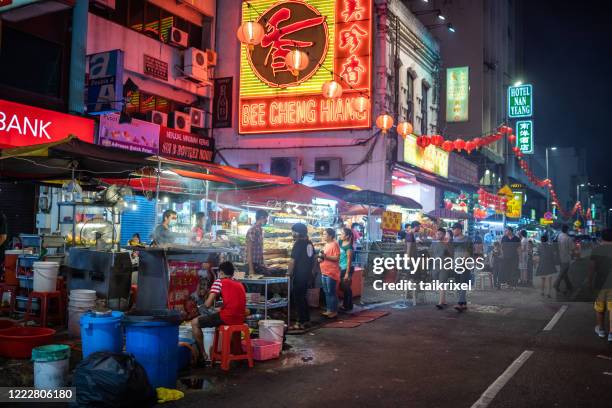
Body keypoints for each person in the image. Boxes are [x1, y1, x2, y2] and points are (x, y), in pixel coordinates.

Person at [190, 261, 247, 361]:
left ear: (220, 272)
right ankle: (237, 354)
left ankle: (203, 355)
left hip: (227, 318)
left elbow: (208, 304)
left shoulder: (219, 281)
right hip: (239, 318)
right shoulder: (239, 283)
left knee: (195, 323)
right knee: (218, 316)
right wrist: (219, 309)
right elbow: (235, 303)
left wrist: (201, 307)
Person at [288, 223, 315, 330]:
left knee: (298, 299)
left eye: (294, 231)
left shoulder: (298, 244)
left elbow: (292, 261)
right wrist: (312, 272)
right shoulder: (309, 243)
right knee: (303, 298)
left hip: (299, 275)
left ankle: (300, 322)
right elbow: (314, 258)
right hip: (307, 275)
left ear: (298, 232)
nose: (292, 234)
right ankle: (306, 320)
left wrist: (288, 273)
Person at [589, 229, 612, 342]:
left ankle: (601, 330)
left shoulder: (597, 249)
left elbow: (592, 268)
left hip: (600, 283)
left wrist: (589, 281)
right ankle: (611, 333)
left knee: (600, 307)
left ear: (601, 237)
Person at [318, 228, 340, 318]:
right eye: (323, 234)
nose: (323, 236)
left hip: (331, 272)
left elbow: (336, 258)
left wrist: (325, 256)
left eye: (325, 234)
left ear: (330, 235)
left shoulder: (335, 244)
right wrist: (320, 258)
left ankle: (334, 311)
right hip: (324, 271)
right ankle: (329, 310)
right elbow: (323, 257)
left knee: (331, 292)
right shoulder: (326, 244)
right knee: (326, 292)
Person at [451, 222, 472, 312]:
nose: (453, 231)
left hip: (464, 264)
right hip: (456, 264)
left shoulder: (467, 239)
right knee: (458, 283)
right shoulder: (453, 240)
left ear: (459, 230)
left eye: (454, 229)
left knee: (463, 283)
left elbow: (469, 252)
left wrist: (463, 261)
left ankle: (460, 303)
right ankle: (463, 302)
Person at [430, 227, 450, 309]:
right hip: (436, 265)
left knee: (442, 283)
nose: (438, 235)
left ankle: (440, 302)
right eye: (437, 234)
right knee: (440, 283)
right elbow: (430, 253)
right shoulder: (433, 244)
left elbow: (450, 254)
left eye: (440, 234)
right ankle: (444, 300)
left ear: (444, 234)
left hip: (444, 266)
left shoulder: (447, 244)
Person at [246, 210, 268, 276]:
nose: (266, 220)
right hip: (253, 264)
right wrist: (251, 269)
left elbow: (259, 249)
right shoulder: (252, 230)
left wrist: (263, 264)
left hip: (258, 264)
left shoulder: (260, 230)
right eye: (266, 218)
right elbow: (249, 250)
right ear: (261, 217)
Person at [554, 225, 575, 295]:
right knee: (563, 273)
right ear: (567, 230)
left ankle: (570, 287)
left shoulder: (558, 236)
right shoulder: (568, 238)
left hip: (559, 257)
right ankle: (556, 285)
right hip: (566, 258)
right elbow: (572, 248)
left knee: (564, 273)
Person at [338, 227, 354, 312]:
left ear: (347, 236)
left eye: (342, 234)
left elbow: (349, 261)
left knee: (346, 287)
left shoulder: (349, 247)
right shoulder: (340, 242)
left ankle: (348, 306)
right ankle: (347, 305)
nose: (340, 235)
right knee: (343, 287)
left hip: (346, 269)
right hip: (341, 268)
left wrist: (347, 274)